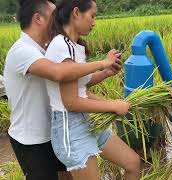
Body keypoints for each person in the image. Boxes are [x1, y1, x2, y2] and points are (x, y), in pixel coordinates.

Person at [3, 0, 121, 179]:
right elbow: (60, 73)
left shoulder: (45, 48)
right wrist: (103, 63)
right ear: (38, 19)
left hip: (56, 131)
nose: (59, 20)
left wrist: (105, 72)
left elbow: (75, 83)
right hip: (32, 140)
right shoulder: (23, 51)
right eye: (54, 16)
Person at [46, 0, 141, 180]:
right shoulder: (62, 46)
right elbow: (71, 102)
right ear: (76, 13)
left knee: (133, 163)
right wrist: (113, 106)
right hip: (71, 127)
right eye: (92, 15)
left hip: (89, 120)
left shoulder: (74, 46)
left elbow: (82, 85)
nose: (94, 22)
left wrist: (106, 72)